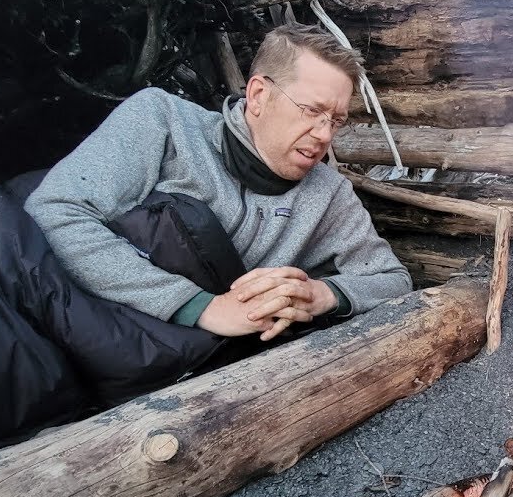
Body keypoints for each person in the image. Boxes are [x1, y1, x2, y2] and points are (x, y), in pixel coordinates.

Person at [24, 23, 411, 343]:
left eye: (336, 120)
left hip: (163, 363)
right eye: (312, 111)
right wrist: (200, 306)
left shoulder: (328, 194)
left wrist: (322, 295)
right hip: (57, 317)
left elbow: (392, 279)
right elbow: (55, 210)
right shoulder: (163, 121)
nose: (325, 134)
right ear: (259, 94)